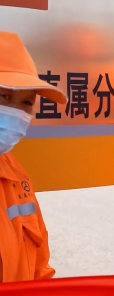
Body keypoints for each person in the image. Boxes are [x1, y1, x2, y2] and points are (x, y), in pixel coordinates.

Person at [0, 31, 67, 282]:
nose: (15, 112)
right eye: (4, 96)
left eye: (27, 102)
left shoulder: (14, 174)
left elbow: (40, 268)